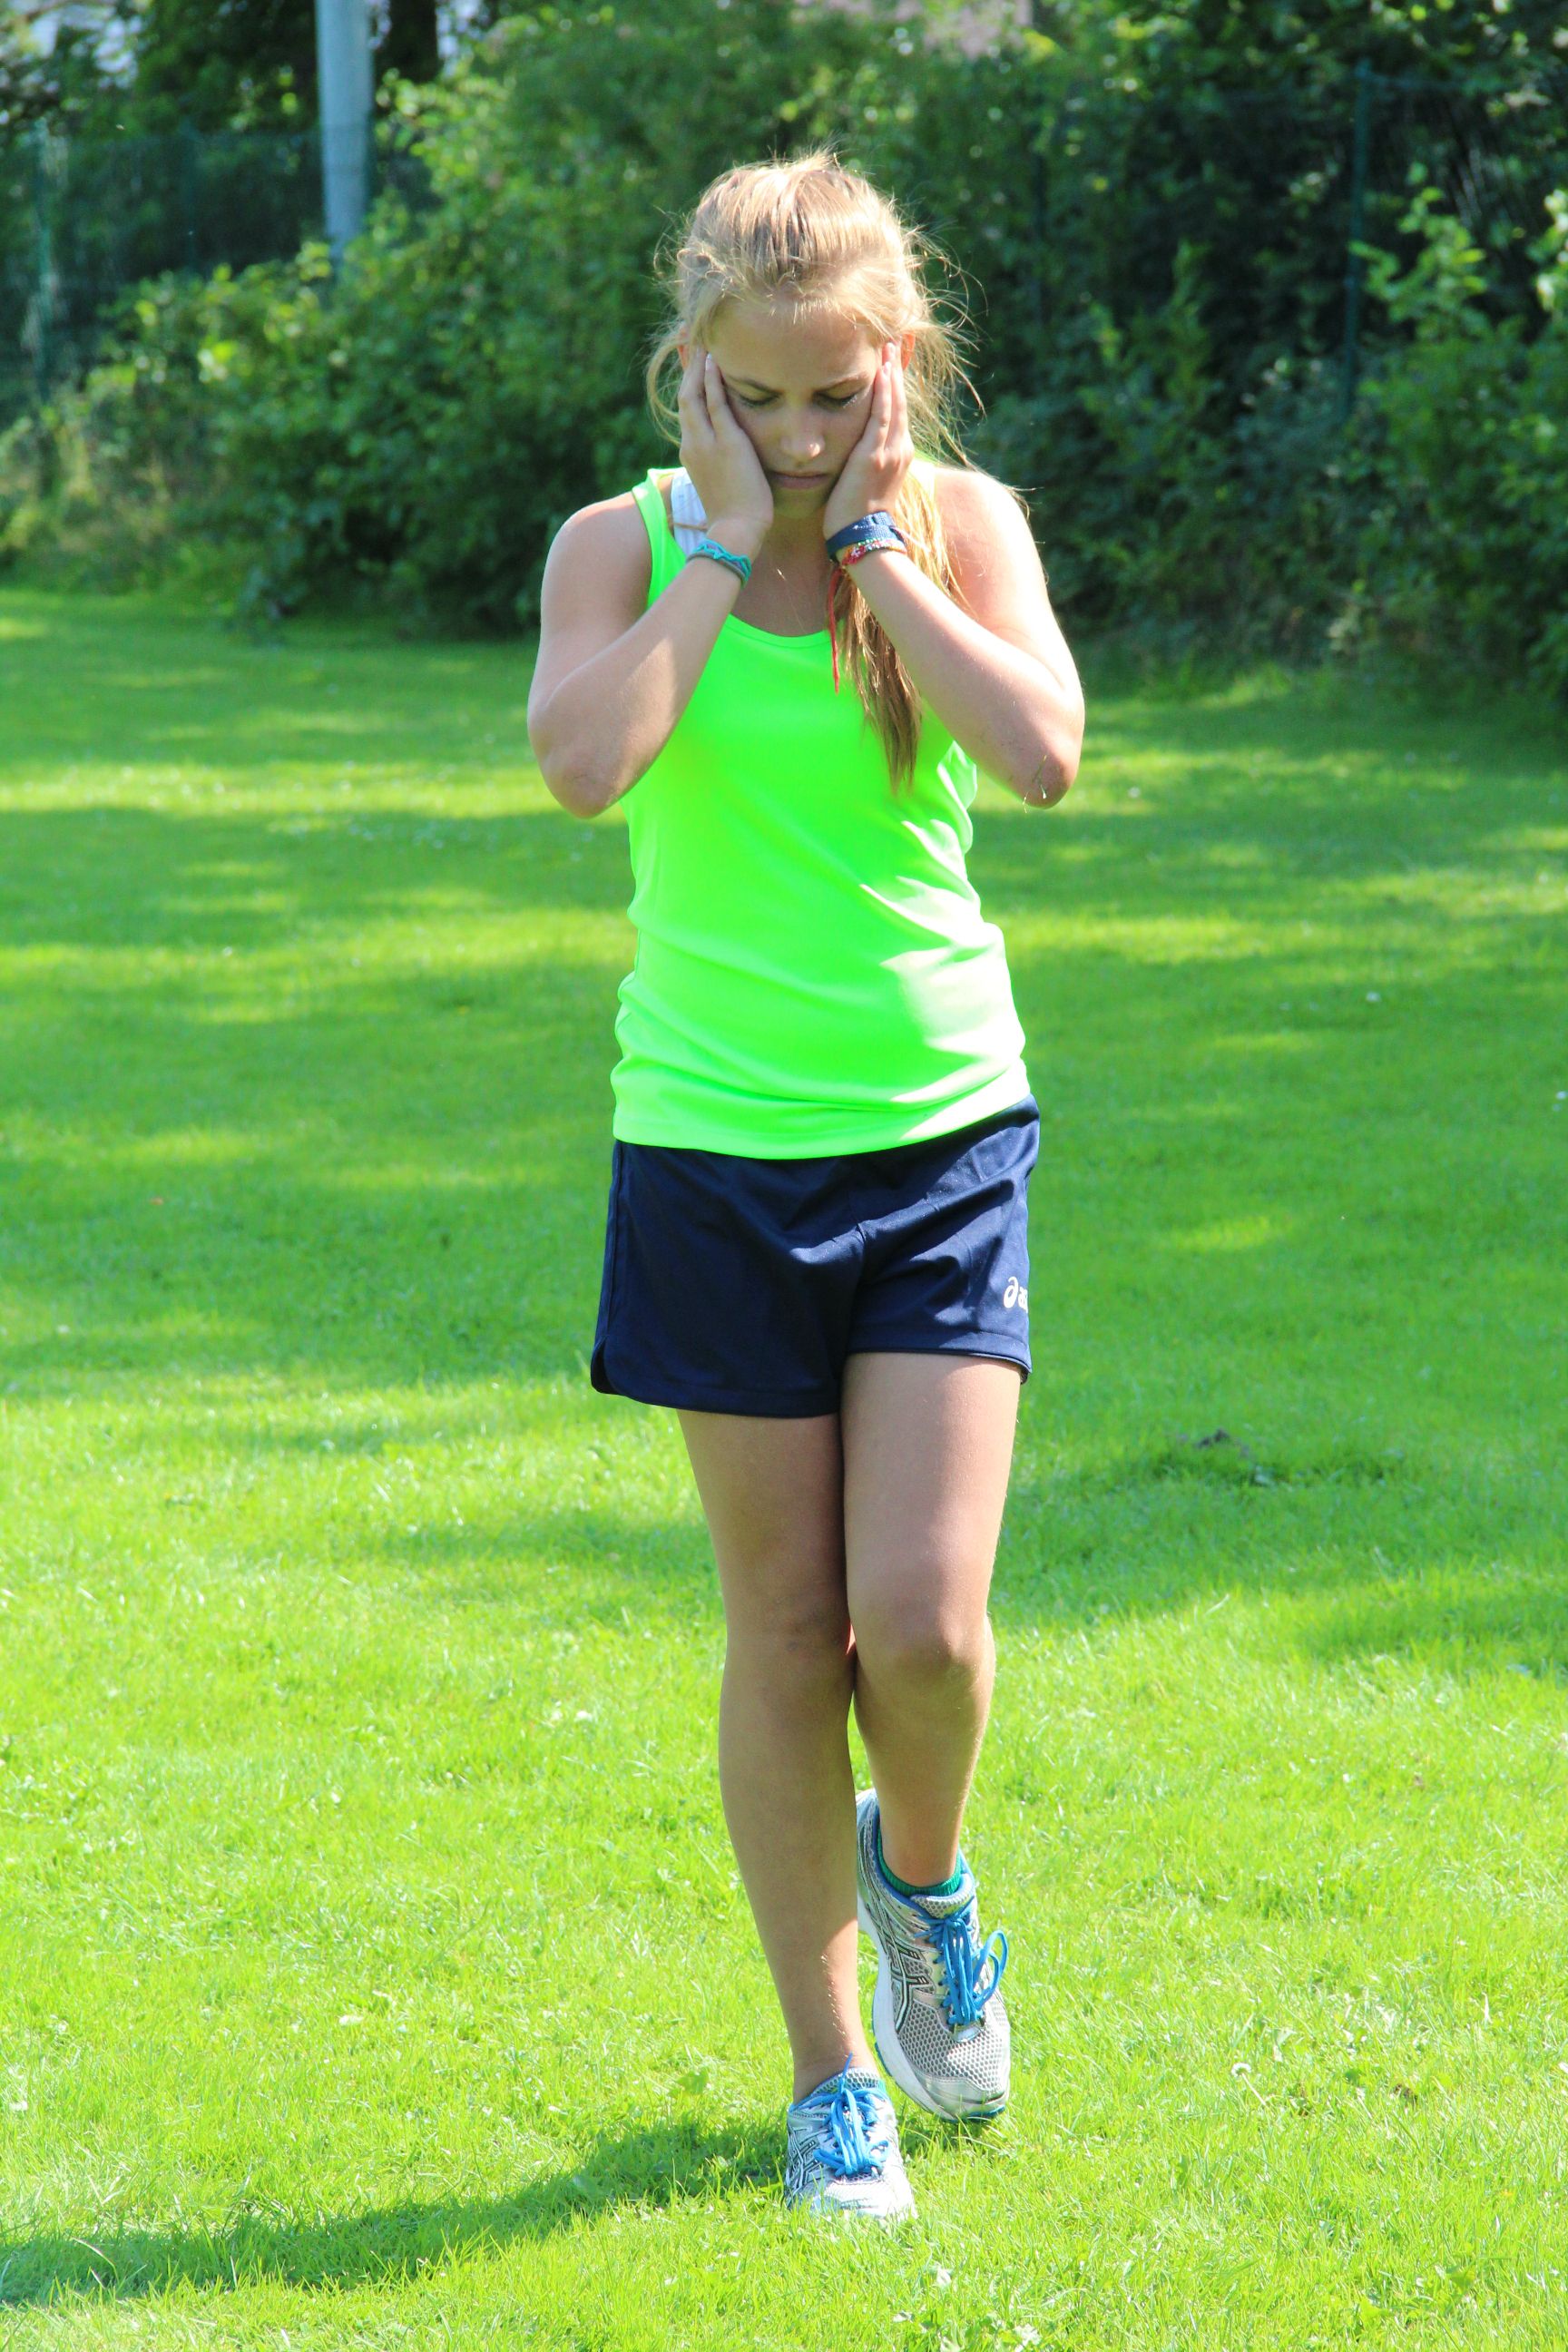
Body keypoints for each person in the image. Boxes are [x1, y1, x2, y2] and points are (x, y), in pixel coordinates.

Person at [526, 151, 1084, 2223]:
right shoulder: (618, 546)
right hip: (712, 1151)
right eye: (752, 398)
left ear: (896, 365)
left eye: (832, 396)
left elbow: (1042, 754)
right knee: (783, 1628)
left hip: (940, 1138)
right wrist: (715, 556)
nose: (792, 433)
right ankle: (832, 2074)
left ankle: (924, 1885)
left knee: (921, 1632)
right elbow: (584, 766)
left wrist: (873, 556)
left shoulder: (967, 527)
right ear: (693, 374)